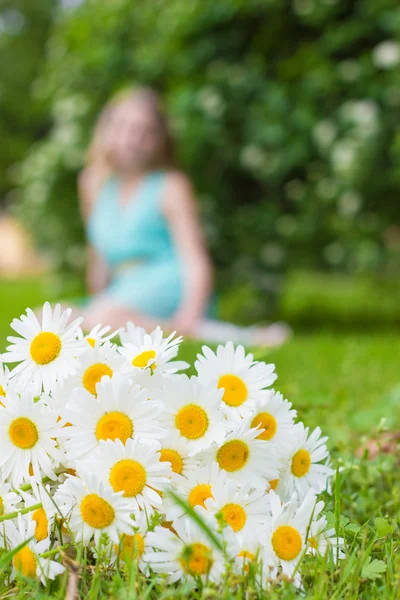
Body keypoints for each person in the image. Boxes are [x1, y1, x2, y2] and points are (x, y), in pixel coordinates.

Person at [77, 87, 289, 345]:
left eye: (145, 131)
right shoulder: (93, 184)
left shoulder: (171, 186)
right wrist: (99, 299)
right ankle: (197, 332)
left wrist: (192, 312)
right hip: (124, 289)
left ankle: (191, 330)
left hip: (168, 282)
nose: (133, 139)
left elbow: (194, 258)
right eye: (125, 127)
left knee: (101, 319)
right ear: (107, 129)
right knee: (50, 317)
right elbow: (98, 258)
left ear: (160, 140)